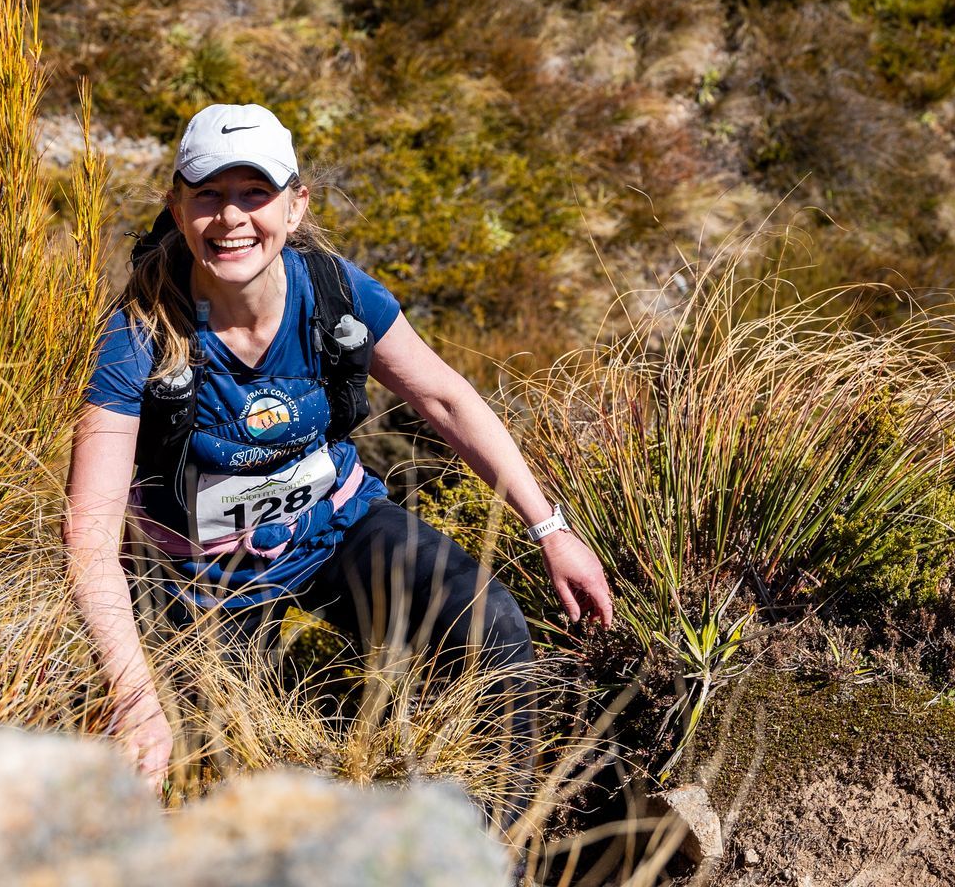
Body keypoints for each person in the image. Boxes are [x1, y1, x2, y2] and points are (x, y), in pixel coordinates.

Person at [65, 102, 615, 804]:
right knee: (232, 775)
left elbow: (446, 401)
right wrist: (134, 695)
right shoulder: (137, 338)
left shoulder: (335, 294)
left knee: (492, 624)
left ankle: (493, 852)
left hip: (335, 530)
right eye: (208, 195)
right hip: (199, 583)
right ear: (177, 208)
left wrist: (551, 530)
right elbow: (89, 534)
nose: (231, 218)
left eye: (254, 194)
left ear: (295, 207)